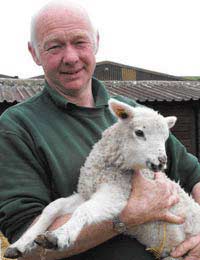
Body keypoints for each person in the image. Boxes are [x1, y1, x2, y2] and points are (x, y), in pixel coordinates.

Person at [0, 1, 200, 259]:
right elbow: (27, 245)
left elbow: (194, 175)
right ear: (34, 53)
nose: (71, 57)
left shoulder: (135, 115)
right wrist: (128, 216)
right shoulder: (17, 127)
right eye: (54, 46)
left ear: (96, 42)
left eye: (80, 42)